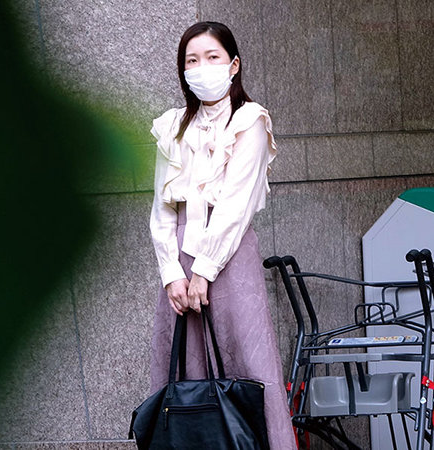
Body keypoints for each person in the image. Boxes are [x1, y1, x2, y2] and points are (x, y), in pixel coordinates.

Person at [148, 21, 296, 449]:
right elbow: (161, 207)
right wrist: (172, 273)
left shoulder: (249, 120)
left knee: (246, 362)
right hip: (180, 262)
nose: (202, 67)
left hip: (229, 260)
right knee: (184, 369)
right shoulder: (172, 127)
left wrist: (205, 270)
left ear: (233, 65)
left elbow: (235, 206)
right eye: (191, 60)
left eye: (212, 57)